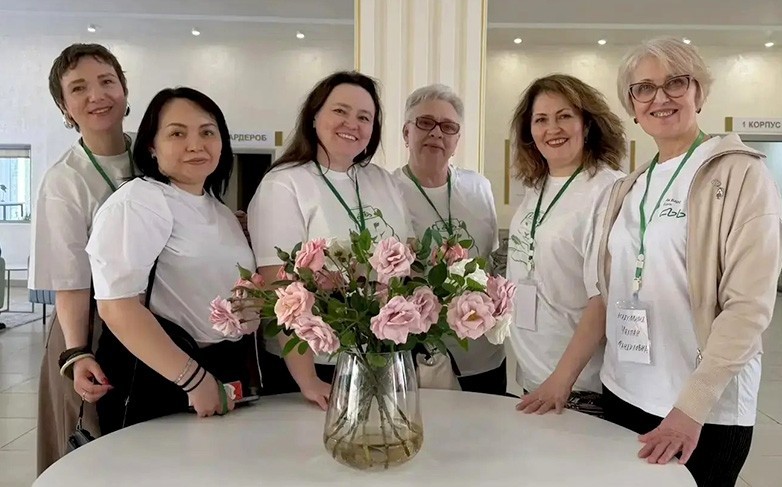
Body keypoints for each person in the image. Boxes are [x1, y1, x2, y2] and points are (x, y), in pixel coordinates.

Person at [592, 37, 782, 486]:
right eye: (644, 88)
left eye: (675, 82)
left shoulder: (741, 174)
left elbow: (748, 308)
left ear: (699, 92)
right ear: (632, 106)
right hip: (623, 390)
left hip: (699, 412)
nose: (660, 97)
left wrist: (690, 408)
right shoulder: (629, 187)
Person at [85, 87, 259, 433]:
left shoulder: (219, 210)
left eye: (207, 132)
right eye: (177, 134)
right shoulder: (140, 202)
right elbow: (117, 307)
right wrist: (193, 379)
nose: (196, 145)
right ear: (152, 145)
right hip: (163, 378)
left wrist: (251, 313)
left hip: (221, 369)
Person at [248, 71, 413, 409]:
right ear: (314, 116)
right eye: (340, 111)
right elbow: (281, 289)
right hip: (314, 365)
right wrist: (307, 380)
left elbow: (407, 262)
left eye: (364, 117)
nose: (352, 124)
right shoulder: (284, 183)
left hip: (382, 351)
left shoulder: (384, 182)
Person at [31, 43, 134, 474]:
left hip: (154, 318)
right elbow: (70, 280)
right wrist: (76, 353)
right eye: (78, 88)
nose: (97, 95)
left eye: (107, 81)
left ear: (125, 90)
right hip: (93, 325)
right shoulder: (66, 179)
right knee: (97, 450)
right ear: (64, 107)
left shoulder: (152, 154)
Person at [506, 74, 625, 416]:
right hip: (533, 377)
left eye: (564, 116)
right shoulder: (537, 186)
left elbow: (603, 297)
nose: (552, 128)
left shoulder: (607, 189)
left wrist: (562, 379)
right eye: (541, 120)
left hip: (576, 387)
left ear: (587, 125)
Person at [393, 84, 505, 395]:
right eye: (425, 122)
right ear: (406, 133)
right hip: (415, 353)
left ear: (456, 140)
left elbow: (490, 261)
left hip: (481, 353)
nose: (436, 133)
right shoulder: (386, 190)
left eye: (448, 127)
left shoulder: (478, 187)